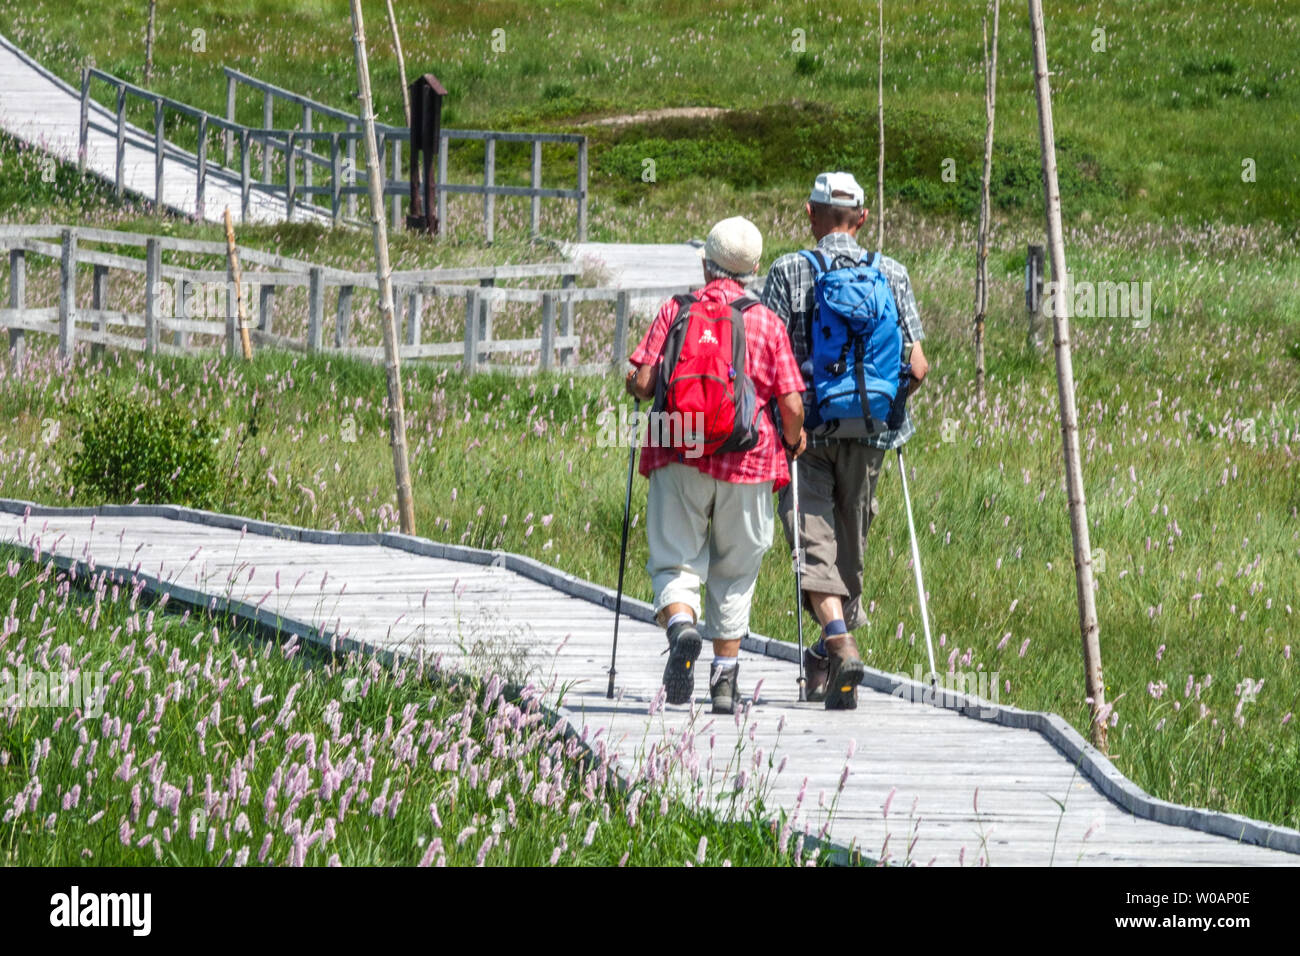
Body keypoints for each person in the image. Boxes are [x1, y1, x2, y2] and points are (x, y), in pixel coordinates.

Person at [760, 172, 930, 710]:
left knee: (812, 542)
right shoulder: (892, 272)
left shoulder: (789, 270)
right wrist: (889, 412)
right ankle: (829, 654)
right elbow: (918, 366)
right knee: (848, 554)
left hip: (805, 433)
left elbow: (767, 359)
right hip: (873, 434)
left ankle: (837, 643)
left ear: (810, 214)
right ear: (861, 219)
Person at [625, 216, 806, 715]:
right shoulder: (766, 321)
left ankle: (682, 627)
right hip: (749, 459)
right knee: (735, 569)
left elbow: (642, 383)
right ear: (752, 270)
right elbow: (790, 403)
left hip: (675, 448)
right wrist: (795, 441)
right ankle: (724, 681)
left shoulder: (676, 309)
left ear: (706, 262)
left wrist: (638, 382)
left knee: (674, 559)